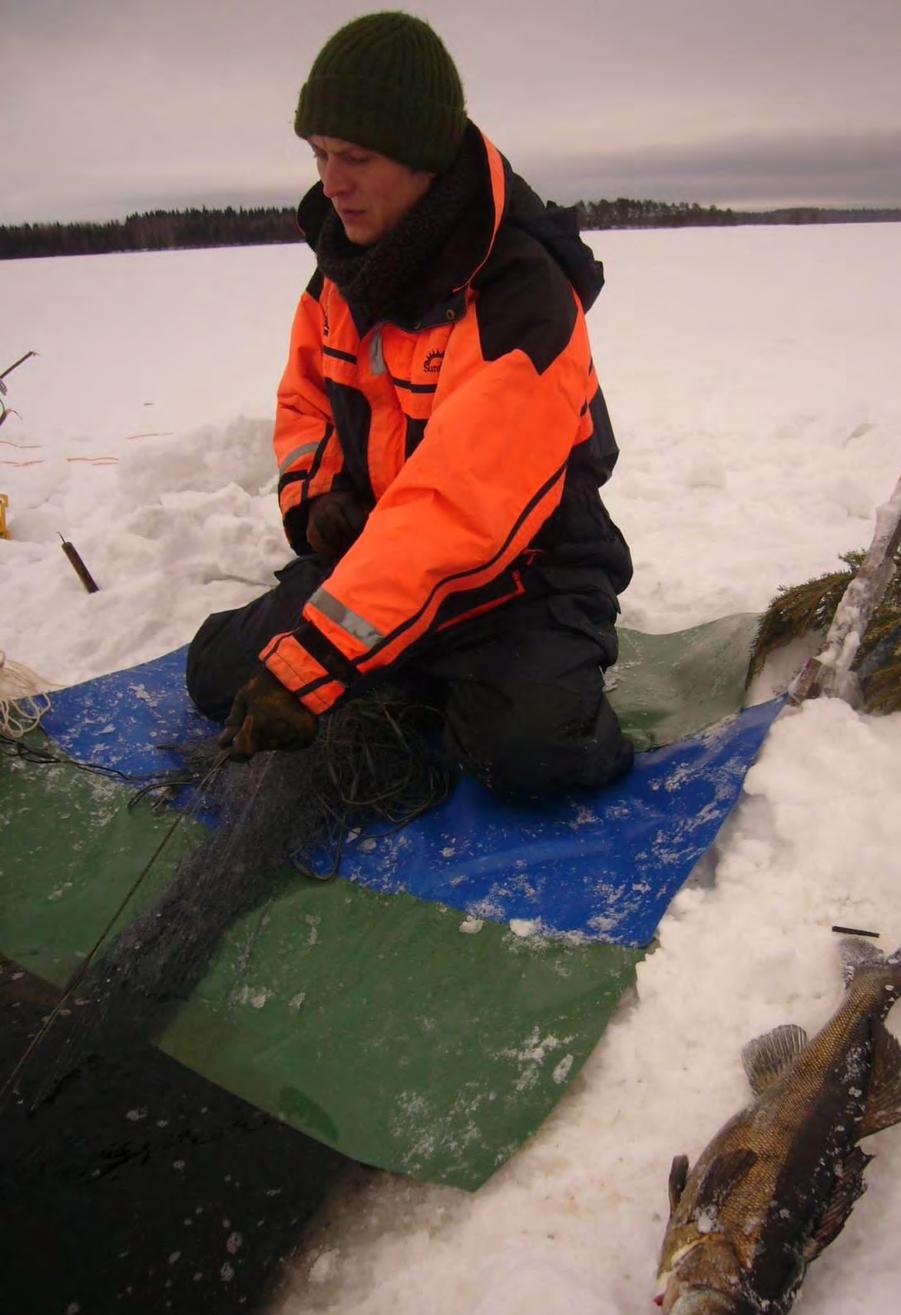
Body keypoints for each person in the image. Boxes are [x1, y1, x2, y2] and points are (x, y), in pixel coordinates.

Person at [186, 10, 634, 797]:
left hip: (522, 579)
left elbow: (458, 507)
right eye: (320, 155)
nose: (332, 182)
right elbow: (305, 405)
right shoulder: (339, 274)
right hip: (379, 560)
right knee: (213, 676)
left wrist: (315, 661)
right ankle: (394, 661)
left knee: (533, 757)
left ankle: (451, 675)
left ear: (425, 159)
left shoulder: (519, 301)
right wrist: (321, 500)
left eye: (355, 157)